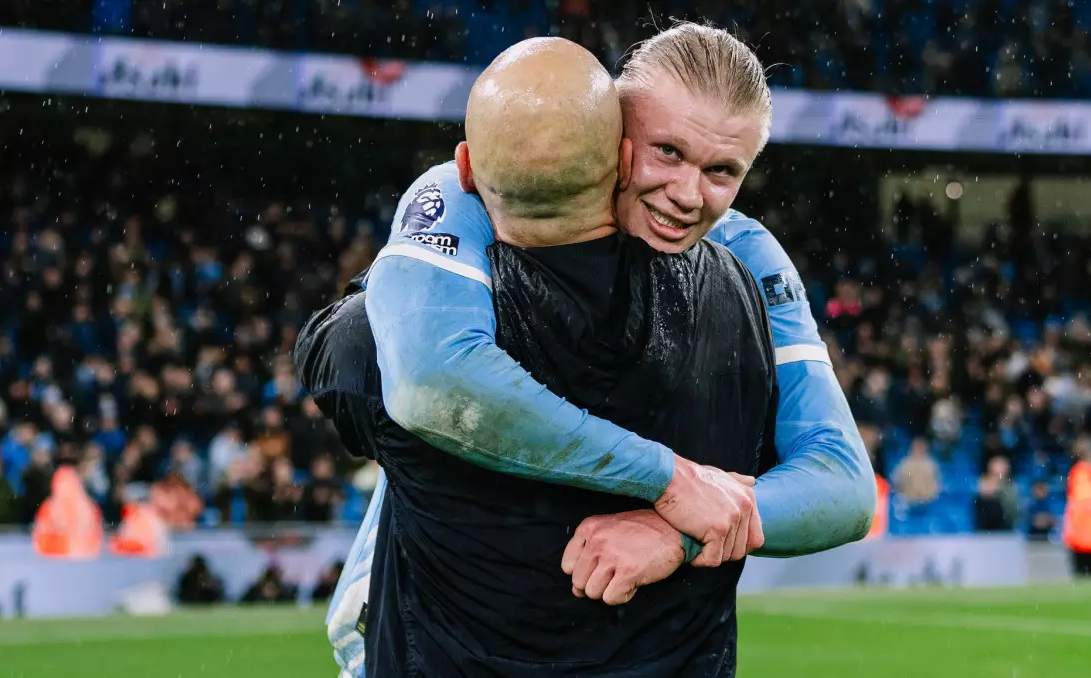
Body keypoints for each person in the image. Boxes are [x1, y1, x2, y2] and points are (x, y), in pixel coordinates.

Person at [331, 24, 874, 675]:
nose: (688, 194)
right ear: (612, 127)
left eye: (721, 171)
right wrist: (670, 480)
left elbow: (844, 483)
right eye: (667, 151)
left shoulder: (748, 253)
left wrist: (677, 531)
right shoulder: (477, 189)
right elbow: (430, 381)